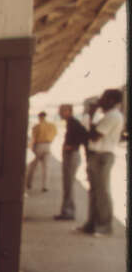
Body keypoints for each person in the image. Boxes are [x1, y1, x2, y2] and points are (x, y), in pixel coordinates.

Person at [78, 88, 124, 237]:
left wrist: (90, 115)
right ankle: (91, 224)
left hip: (103, 157)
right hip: (97, 155)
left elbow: (94, 136)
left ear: (113, 101)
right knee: (94, 192)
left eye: (104, 98)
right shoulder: (107, 115)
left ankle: (105, 226)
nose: (101, 101)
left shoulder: (113, 116)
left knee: (102, 192)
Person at [53, 103, 88, 221]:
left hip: (71, 156)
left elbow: (85, 135)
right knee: (67, 185)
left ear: (69, 111)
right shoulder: (71, 123)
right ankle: (67, 211)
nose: (60, 113)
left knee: (68, 185)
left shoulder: (74, 123)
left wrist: (72, 146)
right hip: (70, 155)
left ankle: (68, 212)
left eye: (62, 111)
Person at [25, 111, 57, 192]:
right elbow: (54, 134)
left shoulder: (36, 126)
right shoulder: (52, 126)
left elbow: (33, 139)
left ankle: (28, 183)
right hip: (48, 146)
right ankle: (45, 186)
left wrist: (30, 148)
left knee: (33, 166)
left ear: (39, 117)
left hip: (38, 146)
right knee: (46, 167)